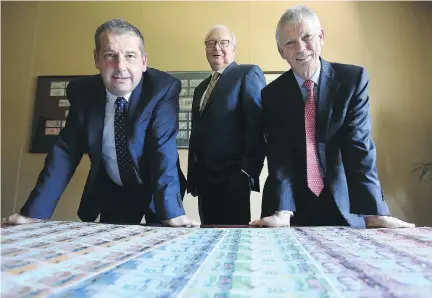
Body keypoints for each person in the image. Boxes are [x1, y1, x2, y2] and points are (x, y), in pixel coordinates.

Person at [3, 19, 198, 227]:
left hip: (157, 190)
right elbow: (65, 154)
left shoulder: (162, 89)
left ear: (143, 61)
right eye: (110, 55)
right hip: (114, 189)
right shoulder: (82, 93)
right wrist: (33, 212)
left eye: (130, 56)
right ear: (96, 59)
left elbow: (163, 150)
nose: (120, 66)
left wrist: (172, 212)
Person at [250, 6, 414, 228]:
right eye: (290, 43)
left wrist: (373, 212)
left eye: (307, 37)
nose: (300, 48)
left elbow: (359, 146)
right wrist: (283, 211)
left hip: (343, 202)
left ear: (321, 36)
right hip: (290, 207)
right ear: (281, 52)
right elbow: (280, 155)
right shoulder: (272, 94)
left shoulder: (352, 80)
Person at [187, 25, 266, 225]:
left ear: (234, 48)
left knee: (233, 243)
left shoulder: (246, 74)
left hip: (233, 177)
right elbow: (197, 134)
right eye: (211, 43)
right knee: (207, 236)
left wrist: (246, 172)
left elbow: (258, 126)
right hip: (204, 178)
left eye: (224, 42)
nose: (217, 48)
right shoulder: (201, 88)